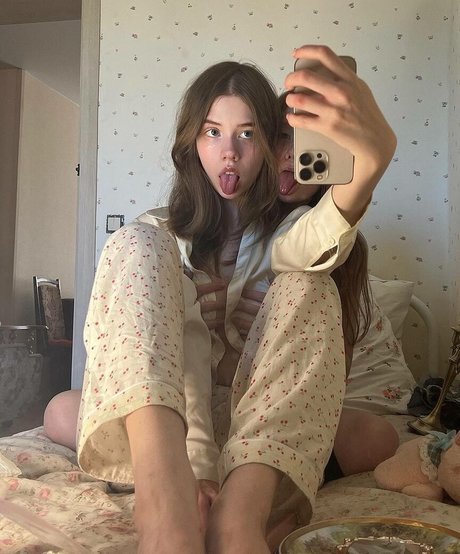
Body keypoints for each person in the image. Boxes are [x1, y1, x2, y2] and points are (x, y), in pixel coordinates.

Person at [44, 45, 397, 554]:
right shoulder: (162, 238)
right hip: (177, 413)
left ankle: (239, 516)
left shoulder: (290, 235)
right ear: (191, 141)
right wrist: (198, 463)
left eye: (248, 134)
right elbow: (160, 355)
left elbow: (317, 245)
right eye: (213, 132)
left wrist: (367, 170)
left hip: (260, 413)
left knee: (316, 299)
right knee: (62, 407)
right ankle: (167, 507)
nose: (230, 151)